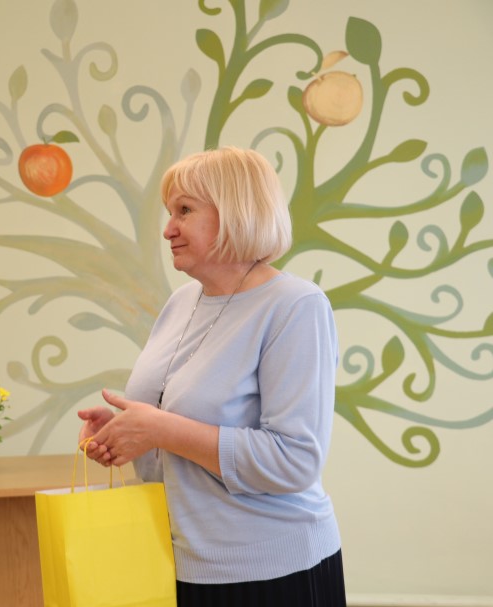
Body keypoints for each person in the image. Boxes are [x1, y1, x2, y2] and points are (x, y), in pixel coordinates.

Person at [78, 147, 346, 606]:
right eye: (169, 212)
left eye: (184, 210)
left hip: (272, 571)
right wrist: (126, 432)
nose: (168, 229)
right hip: (178, 563)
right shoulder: (182, 302)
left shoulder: (296, 307)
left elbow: (296, 460)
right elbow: (179, 419)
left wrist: (160, 429)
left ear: (237, 212)